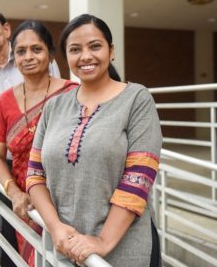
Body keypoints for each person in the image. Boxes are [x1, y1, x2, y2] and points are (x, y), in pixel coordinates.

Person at [26, 14, 163, 267]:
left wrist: (102, 241)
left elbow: (139, 178)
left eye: (95, 46)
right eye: (75, 49)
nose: (85, 56)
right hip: (65, 248)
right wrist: (55, 228)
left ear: (111, 51)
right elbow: (34, 175)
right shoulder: (54, 106)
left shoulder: (136, 99)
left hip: (125, 249)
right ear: (66, 57)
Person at [0, 5, 61, 267]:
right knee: (9, 243)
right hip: (4, 170)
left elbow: (60, 112)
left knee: (50, 238)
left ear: (6, 29)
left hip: (47, 167)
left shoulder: (36, 60)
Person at [0, 20, 78, 266]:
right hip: (27, 207)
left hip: (68, 203)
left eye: (36, 49)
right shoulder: (3, 102)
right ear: (13, 56)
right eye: (21, 51)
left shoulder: (73, 93)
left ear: (50, 54)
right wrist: (14, 192)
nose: (28, 57)